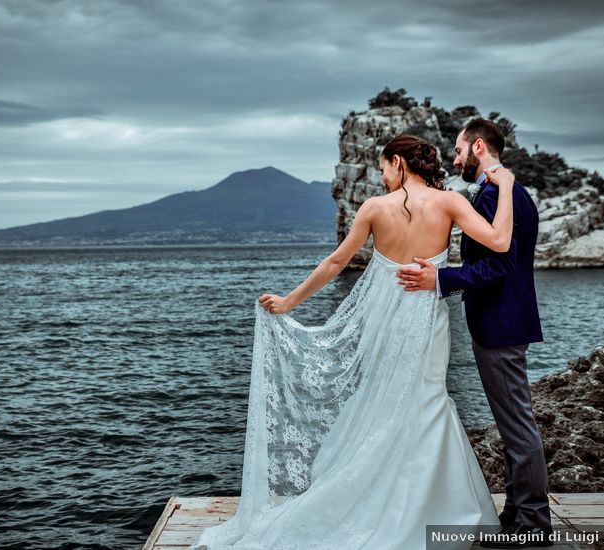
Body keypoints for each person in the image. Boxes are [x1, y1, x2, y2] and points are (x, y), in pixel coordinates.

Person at [188, 134, 516, 550]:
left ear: (398, 162)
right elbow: (501, 242)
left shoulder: (374, 209)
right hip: (426, 321)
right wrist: (504, 185)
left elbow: (337, 262)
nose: (382, 178)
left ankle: (383, 502)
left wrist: (290, 301)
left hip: (383, 324)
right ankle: (431, 510)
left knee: (386, 403)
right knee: (428, 401)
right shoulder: (450, 203)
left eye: (382, 169)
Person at [398, 118, 552, 548]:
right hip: (506, 320)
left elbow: (501, 265)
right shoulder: (508, 192)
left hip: (500, 323)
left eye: (459, 150)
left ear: (478, 147)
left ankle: (534, 526)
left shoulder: (497, 196)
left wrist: (441, 280)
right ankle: (516, 515)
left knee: (518, 427)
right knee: (512, 425)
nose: (453, 157)